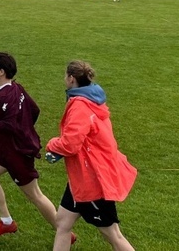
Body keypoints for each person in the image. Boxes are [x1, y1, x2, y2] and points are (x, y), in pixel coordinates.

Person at [46, 60, 137, 251]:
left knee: (112, 235)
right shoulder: (92, 98)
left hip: (93, 180)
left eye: (65, 76)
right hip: (81, 178)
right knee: (62, 222)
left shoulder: (80, 106)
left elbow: (70, 144)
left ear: (71, 79)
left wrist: (52, 144)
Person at [0, 52, 60, 239]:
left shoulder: (2, 98)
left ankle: (63, 232)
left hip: (17, 153)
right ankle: (7, 222)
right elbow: (34, 110)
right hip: (5, 149)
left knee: (35, 195)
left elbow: (9, 126)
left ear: (2, 72)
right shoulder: (17, 88)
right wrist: (26, 128)